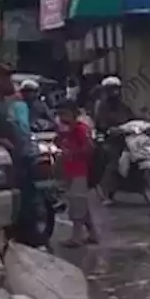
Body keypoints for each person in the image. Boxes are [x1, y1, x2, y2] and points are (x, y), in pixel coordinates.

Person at [0, 64, 45, 246]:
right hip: (5, 165)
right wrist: (2, 142)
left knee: (28, 205)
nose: (10, 83)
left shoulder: (8, 103)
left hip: (21, 159)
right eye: (6, 78)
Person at [56, 100, 98, 247]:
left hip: (79, 170)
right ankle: (93, 234)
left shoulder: (80, 129)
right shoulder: (68, 131)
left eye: (64, 113)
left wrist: (73, 153)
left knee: (77, 204)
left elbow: (89, 147)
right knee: (81, 205)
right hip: (71, 171)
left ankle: (76, 237)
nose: (62, 117)